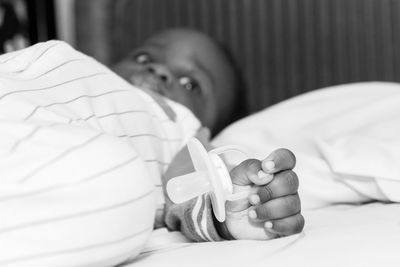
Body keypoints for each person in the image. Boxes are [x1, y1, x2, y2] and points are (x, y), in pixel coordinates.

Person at [0, 32, 302, 267]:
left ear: (209, 125)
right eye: (144, 57)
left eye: (190, 84)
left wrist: (228, 207)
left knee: (123, 186)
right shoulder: (83, 75)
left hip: (26, 158)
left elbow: (190, 185)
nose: (159, 70)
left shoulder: (183, 130)